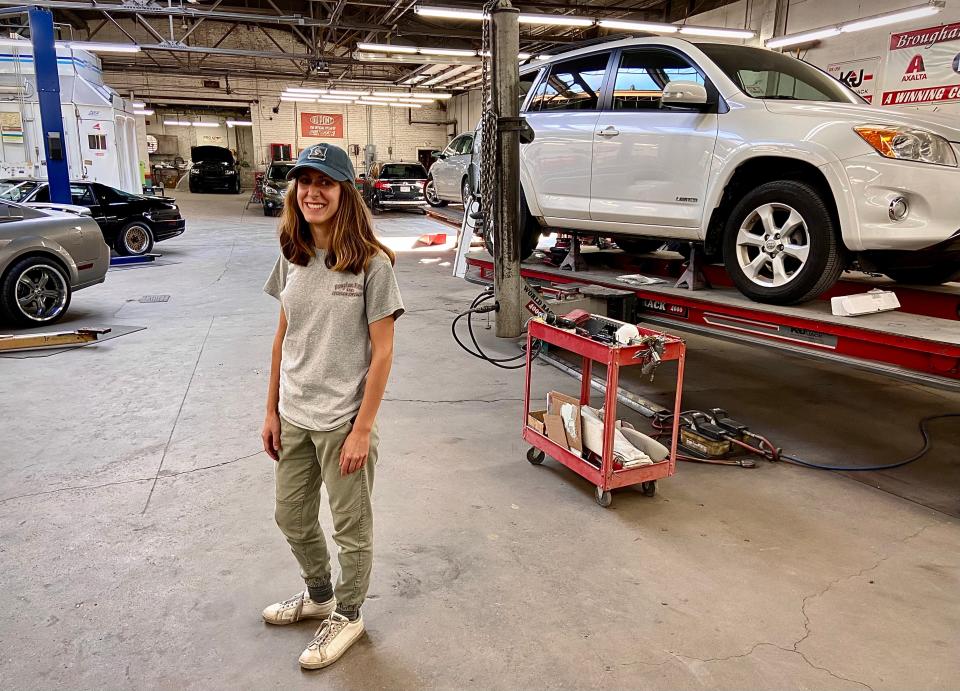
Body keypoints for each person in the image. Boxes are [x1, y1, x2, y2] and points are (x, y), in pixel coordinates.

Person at [260, 143, 404, 670]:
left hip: (343, 422)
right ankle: (318, 593)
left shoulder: (373, 265)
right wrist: (271, 410)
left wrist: (362, 429)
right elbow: (282, 338)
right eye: (304, 182)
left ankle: (347, 612)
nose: (312, 192)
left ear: (345, 192)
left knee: (351, 528)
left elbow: (383, 351)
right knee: (291, 516)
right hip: (295, 416)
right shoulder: (291, 255)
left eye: (325, 182)